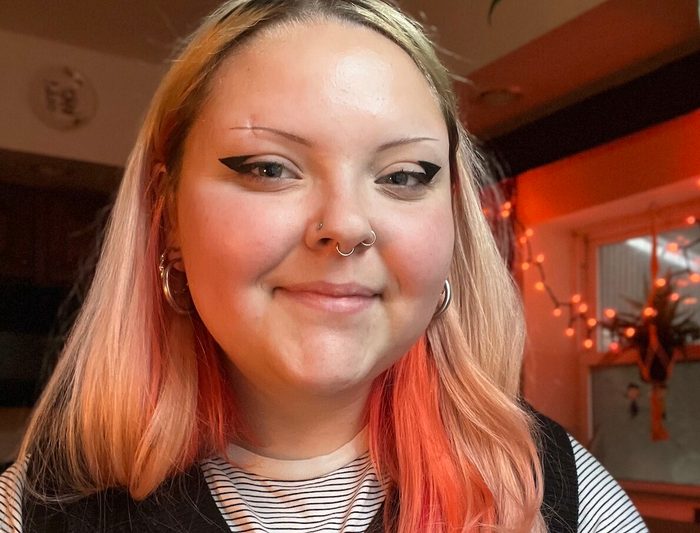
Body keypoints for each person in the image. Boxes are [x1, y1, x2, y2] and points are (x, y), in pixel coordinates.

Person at [1, 1, 647, 531]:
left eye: (402, 175)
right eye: (269, 168)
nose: (345, 224)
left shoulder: (565, 495)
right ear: (168, 215)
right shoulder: (36, 509)